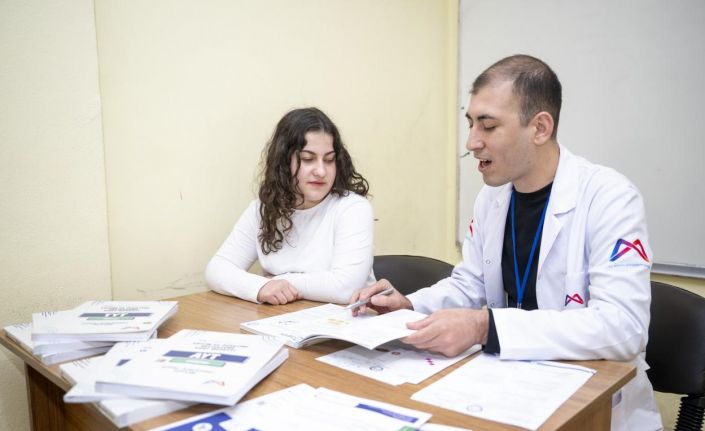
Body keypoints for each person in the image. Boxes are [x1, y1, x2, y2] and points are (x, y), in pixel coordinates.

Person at [351, 55, 662, 430]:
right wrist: (410, 305)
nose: (471, 142)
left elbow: (624, 328)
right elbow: (470, 284)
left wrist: (485, 327)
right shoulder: (492, 198)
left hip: (591, 408)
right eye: (470, 124)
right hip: (510, 390)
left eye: (488, 126)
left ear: (540, 128)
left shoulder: (610, 198)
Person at [206, 107, 375, 305]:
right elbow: (217, 269)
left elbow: (345, 288)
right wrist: (260, 288)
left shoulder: (352, 208)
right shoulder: (262, 210)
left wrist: (276, 282)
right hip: (286, 318)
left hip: (347, 321)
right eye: (307, 159)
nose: (321, 171)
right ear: (284, 162)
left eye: (329, 160)